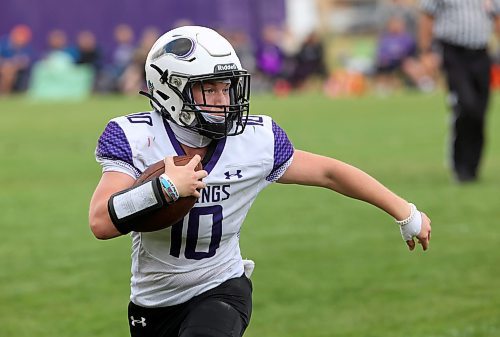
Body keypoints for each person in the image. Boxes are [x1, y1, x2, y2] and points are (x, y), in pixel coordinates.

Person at [89, 26, 432, 337]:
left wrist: (404, 211)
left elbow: (330, 172)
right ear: (169, 90)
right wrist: (164, 189)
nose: (224, 101)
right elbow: (101, 222)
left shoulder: (255, 139)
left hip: (221, 286)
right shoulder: (135, 137)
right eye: (208, 89)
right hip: (153, 302)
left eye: (226, 88)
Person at [419, 0, 500, 182]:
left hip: (481, 53)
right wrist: (426, 51)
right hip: (454, 53)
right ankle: (459, 164)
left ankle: (472, 166)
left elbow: (496, 17)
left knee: (480, 111)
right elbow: (427, 16)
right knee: (466, 104)